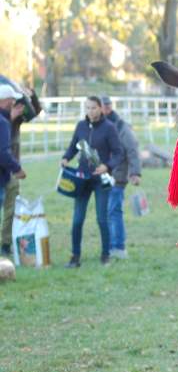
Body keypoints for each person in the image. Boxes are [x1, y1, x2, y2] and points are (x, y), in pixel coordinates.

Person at [61, 96, 123, 267]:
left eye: (94, 108)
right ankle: (75, 257)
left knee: (102, 219)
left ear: (101, 109)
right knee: (77, 220)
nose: (90, 111)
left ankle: (105, 255)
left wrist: (107, 166)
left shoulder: (109, 128)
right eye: (87, 108)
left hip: (100, 180)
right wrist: (66, 158)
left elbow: (119, 153)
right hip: (81, 179)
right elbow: (73, 146)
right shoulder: (80, 126)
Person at [0, 77, 41, 257]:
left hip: (11, 168)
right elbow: (2, 144)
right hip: (9, 166)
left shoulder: (14, 117)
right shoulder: (7, 118)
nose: (15, 104)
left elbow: (34, 113)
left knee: (11, 208)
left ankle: (6, 243)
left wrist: (33, 97)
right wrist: (10, 118)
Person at [100, 97, 141, 259]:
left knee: (114, 211)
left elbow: (132, 149)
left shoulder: (122, 127)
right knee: (107, 212)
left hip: (117, 176)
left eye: (106, 105)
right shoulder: (99, 126)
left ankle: (118, 247)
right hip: (102, 176)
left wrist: (135, 172)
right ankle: (110, 246)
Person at [0, 84, 27, 249]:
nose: (13, 102)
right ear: (5, 101)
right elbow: (2, 152)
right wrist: (17, 169)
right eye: (11, 99)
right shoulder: (3, 122)